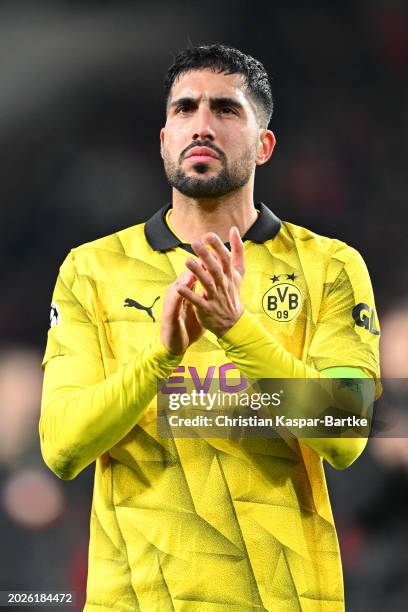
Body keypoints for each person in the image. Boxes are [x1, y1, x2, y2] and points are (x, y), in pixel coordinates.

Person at [40, 44, 381, 611]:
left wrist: (236, 329)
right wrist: (161, 357)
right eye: (184, 109)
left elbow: (345, 433)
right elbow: (62, 446)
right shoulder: (91, 269)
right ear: (164, 140)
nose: (201, 125)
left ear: (264, 144)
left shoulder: (330, 266)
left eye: (226, 109)